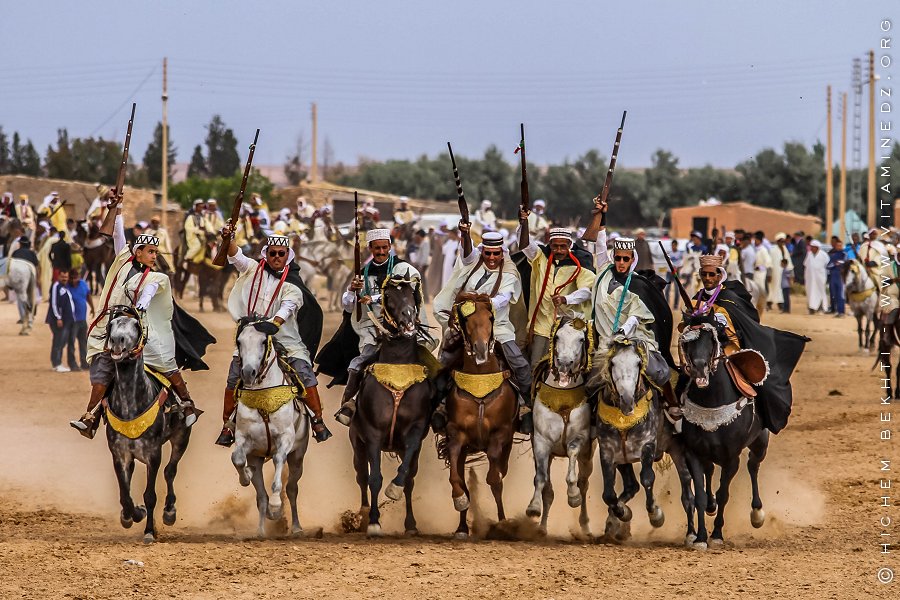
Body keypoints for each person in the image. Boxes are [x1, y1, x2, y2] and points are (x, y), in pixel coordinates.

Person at [70, 191, 207, 438]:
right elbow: (118, 234)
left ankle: (187, 404)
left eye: (156, 252)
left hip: (144, 329)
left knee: (165, 363)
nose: (155, 256)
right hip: (110, 327)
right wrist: (119, 208)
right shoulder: (123, 258)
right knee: (103, 373)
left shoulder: (156, 277)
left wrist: (141, 305)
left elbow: (150, 291)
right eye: (151, 252)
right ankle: (90, 416)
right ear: (138, 251)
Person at [215, 227, 330, 446]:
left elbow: (286, 309)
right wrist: (228, 238)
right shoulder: (251, 269)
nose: (277, 257)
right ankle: (228, 426)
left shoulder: (293, 284)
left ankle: (317, 419)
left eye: (281, 253)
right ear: (266, 254)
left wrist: (273, 324)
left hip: (284, 340)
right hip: (251, 338)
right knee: (233, 377)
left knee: (304, 372)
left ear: (288, 255)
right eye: (273, 253)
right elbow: (235, 255)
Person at [684, 254, 808, 434]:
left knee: (760, 384)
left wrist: (719, 324)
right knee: (679, 383)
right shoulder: (696, 299)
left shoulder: (729, 296)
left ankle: (762, 419)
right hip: (701, 353)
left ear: (720, 275)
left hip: (729, 350)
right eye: (704, 275)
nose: (708, 279)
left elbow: (744, 323)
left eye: (712, 275)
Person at [584, 197, 679, 422]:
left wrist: (625, 330)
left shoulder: (636, 283)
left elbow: (637, 315)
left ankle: (671, 402)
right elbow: (599, 242)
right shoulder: (604, 272)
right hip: (604, 341)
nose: (621, 263)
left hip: (634, 338)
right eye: (617, 258)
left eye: (625, 259)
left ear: (632, 259)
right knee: (587, 380)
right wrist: (602, 215)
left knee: (658, 370)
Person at [432, 228, 530, 433]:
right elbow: (467, 254)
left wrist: (480, 303)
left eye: (496, 254)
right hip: (467, 329)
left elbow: (504, 298)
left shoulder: (510, 273)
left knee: (520, 364)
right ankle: (439, 406)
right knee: (442, 364)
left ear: (502, 253)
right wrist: (465, 233)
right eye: (488, 253)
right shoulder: (473, 265)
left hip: (498, 328)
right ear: (482, 252)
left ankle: (524, 406)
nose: (492, 258)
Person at [332, 229, 431, 425]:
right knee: (358, 364)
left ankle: (438, 407)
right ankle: (349, 404)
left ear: (390, 247)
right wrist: (352, 291)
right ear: (370, 248)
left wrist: (376, 297)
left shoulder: (405, 270)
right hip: (372, 329)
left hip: (404, 327)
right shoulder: (362, 274)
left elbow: (406, 293)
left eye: (385, 247)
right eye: (377, 248)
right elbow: (349, 306)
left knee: (430, 365)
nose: (381, 251)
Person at [517, 214, 595, 366]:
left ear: (569, 245)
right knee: (536, 366)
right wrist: (523, 222)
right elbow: (525, 244)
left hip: (568, 326)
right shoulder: (540, 257)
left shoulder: (580, 264)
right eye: (555, 246)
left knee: (571, 366)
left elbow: (587, 291)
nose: (559, 250)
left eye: (563, 246)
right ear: (549, 244)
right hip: (542, 326)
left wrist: (566, 299)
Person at [46, 269, 75, 372]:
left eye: (66, 277)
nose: (64, 279)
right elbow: (54, 303)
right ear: (58, 277)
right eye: (63, 277)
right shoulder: (56, 286)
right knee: (58, 341)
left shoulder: (64, 287)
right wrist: (58, 317)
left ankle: (57, 363)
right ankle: (57, 363)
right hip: (58, 320)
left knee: (61, 342)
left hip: (66, 320)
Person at [66, 268, 94, 370]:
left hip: (82, 319)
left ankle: (84, 363)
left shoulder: (83, 283)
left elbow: (88, 295)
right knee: (71, 343)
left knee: (83, 343)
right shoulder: (66, 287)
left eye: (75, 278)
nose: (73, 280)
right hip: (72, 320)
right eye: (71, 278)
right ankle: (72, 364)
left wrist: (92, 307)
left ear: (79, 277)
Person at [804, 240, 830, 314]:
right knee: (810, 292)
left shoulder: (823, 255)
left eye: (813, 247)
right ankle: (811, 309)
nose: (811, 248)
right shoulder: (809, 254)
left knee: (820, 292)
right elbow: (805, 265)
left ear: (817, 247)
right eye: (811, 247)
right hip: (810, 278)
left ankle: (820, 308)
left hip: (820, 278)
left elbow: (827, 265)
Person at [182, 199, 210, 263]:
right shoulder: (190, 217)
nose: (201, 209)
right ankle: (187, 258)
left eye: (202, 207)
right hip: (193, 237)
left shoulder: (203, 218)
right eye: (200, 207)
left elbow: (208, 226)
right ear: (196, 207)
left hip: (202, 236)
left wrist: (210, 231)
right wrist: (198, 229)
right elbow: (188, 228)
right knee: (198, 245)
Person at [407, 229, 431, 301]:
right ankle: (424, 297)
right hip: (420, 265)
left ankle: (425, 298)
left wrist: (421, 265)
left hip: (422, 265)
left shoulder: (425, 243)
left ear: (421, 236)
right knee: (421, 281)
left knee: (422, 281)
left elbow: (425, 255)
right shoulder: (423, 242)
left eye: (418, 237)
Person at [768, 233, 790, 311]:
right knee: (773, 287)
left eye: (783, 241)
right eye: (780, 241)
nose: (782, 243)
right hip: (775, 272)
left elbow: (788, 260)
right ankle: (769, 303)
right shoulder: (773, 250)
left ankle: (780, 304)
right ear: (777, 242)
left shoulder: (785, 249)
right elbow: (769, 262)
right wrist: (769, 273)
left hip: (783, 272)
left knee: (780, 288)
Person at [827, 237, 847, 318]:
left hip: (841, 277)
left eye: (840, 246)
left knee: (841, 295)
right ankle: (837, 310)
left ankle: (841, 312)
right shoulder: (833, 255)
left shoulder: (844, 254)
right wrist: (835, 264)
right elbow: (828, 265)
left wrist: (840, 264)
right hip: (833, 276)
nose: (839, 247)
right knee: (834, 294)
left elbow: (846, 263)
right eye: (837, 246)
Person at [752, 231, 772, 309]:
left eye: (756, 240)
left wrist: (760, 267)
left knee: (761, 288)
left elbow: (768, 262)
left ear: (760, 241)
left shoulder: (763, 250)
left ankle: (763, 304)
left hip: (761, 272)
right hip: (754, 272)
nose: (755, 242)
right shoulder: (754, 249)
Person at [667, 239, 685, 307]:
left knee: (677, 289)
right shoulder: (669, 253)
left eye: (674, 245)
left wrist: (677, 268)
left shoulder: (680, 253)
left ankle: (676, 304)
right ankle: (667, 303)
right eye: (672, 245)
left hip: (676, 273)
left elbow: (682, 263)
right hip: (669, 272)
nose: (673, 247)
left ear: (676, 245)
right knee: (667, 289)